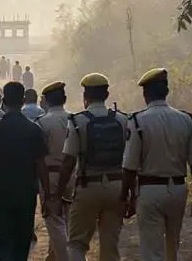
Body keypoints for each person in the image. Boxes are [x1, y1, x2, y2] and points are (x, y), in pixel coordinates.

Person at [120, 68, 192, 261]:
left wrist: (126, 196)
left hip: (150, 191)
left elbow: (130, 166)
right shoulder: (185, 119)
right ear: (166, 91)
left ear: (145, 94)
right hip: (178, 190)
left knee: (152, 251)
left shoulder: (138, 121)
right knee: (172, 248)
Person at [57, 73, 127, 261]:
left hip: (88, 187)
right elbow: (130, 162)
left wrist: (57, 194)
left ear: (85, 96)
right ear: (107, 94)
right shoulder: (122, 120)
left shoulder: (78, 121)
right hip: (117, 187)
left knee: (77, 244)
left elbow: (69, 162)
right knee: (110, 245)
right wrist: (131, 192)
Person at [0, 81, 50, 260]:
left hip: (0, 192)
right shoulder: (34, 129)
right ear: (23, 100)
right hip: (26, 192)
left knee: (4, 241)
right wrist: (46, 196)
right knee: (22, 240)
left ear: (4, 101)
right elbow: (41, 165)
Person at [35, 81, 73, 261]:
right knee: (68, 218)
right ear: (64, 99)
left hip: (50, 174)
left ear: (45, 101)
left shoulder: (42, 122)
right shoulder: (76, 119)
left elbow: (39, 156)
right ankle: (54, 256)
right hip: (73, 174)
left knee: (54, 219)